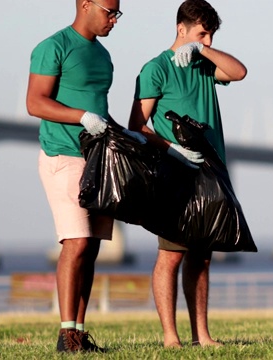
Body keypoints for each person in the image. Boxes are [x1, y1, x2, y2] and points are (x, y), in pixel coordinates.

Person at [128, 0, 247, 348]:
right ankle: (170, 337)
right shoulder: (155, 69)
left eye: (210, 34)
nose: (207, 40)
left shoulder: (204, 63)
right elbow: (137, 125)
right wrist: (173, 149)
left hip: (212, 169)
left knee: (202, 256)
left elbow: (239, 72)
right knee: (171, 254)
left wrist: (203, 50)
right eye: (201, 33)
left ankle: (202, 335)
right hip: (175, 171)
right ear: (181, 28)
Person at [26, 0, 125, 353]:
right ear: (86, 5)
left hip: (99, 160)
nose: (114, 19)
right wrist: (82, 116)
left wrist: (124, 134)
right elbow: (35, 102)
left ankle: (79, 334)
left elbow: (100, 109)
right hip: (62, 155)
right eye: (109, 12)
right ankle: (65, 336)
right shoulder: (53, 47)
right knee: (77, 242)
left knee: (92, 248)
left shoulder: (104, 56)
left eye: (117, 14)